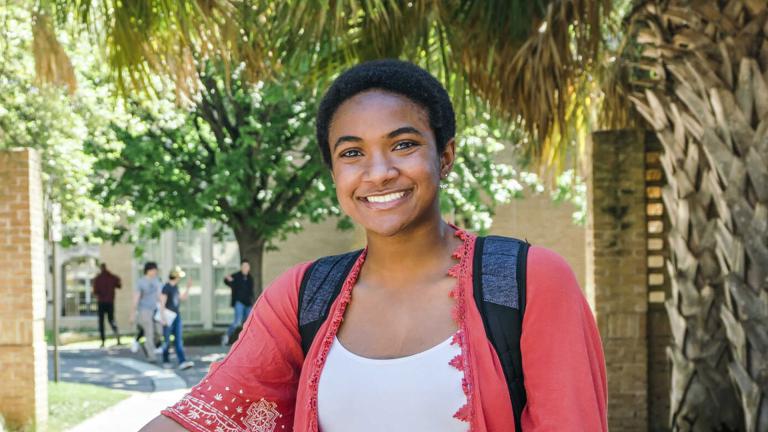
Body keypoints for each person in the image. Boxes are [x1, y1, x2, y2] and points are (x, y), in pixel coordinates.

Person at [141, 60, 607, 431]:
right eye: (352, 153)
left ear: (444, 157)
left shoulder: (527, 281)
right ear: (334, 174)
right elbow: (208, 414)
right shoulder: (304, 295)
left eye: (402, 144)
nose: (378, 171)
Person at [160, 267, 194, 370]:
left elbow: (182, 298)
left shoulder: (175, 287)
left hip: (176, 316)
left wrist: (188, 288)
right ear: (175, 276)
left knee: (178, 340)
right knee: (166, 340)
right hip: (168, 317)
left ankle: (182, 361)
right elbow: (162, 304)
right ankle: (165, 360)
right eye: (179, 276)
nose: (180, 278)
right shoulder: (166, 287)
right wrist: (163, 319)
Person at [132, 261, 164, 364]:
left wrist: (163, 310)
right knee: (149, 333)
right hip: (144, 310)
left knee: (159, 332)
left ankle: (147, 346)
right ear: (148, 270)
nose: (155, 272)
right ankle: (151, 356)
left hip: (156, 310)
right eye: (154, 270)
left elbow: (160, 296)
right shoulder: (141, 282)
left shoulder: (157, 281)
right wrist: (132, 313)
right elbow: (136, 298)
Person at [221, 259, 254, 346]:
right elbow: (227, 281)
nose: (245, 268)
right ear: (241, 267)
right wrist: (227, 279)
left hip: (248, 303)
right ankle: (226, 336)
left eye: (246, 266)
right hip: (239, 302)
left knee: (248, 322)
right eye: (243, 266)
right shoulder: (236, 276)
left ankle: (246, 340)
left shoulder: (250, 278)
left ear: (249, 268)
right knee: (237, 322)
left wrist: (252, 302)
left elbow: (251, 292)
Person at [91, 263, 122, 348]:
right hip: (109, 302)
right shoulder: (111, 277)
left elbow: (95, 291)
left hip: (101, 302)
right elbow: (119, 284)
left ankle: (103, 341)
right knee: (111, 320)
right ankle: (117, 337)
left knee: (101, 322)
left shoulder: (98, 278)